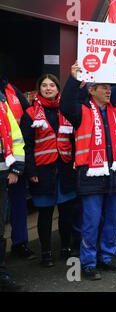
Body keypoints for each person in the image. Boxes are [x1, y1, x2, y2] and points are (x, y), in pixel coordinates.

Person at [60, 62, 116, 280]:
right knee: (91, 221)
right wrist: (74, 79)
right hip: (91, 176)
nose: (108, 90)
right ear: (91, 90)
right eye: (103, 87)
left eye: (110, 87)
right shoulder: (81, 111)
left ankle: (106, 258)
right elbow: (66, 106)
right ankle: (87, 263)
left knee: (112, 219)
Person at [22, 74, 77, 267]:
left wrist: (76, 162)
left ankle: (66, 248)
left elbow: (75, 140)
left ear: (58, 88)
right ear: (39, 89)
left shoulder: (67, 110)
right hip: (42, 170)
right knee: (45, 214)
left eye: (52, 85)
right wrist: (31, 171)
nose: (48, 88)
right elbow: (26, 146)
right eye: (44, 85)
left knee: (67, 212)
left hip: (65, 168)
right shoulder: (29, 113)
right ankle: (46, 252)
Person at [0, 77, 35, 260]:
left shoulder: (11, 89)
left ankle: (20, 244)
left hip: (15, 160)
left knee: (18, 205)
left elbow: (28, 114)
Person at [0, 89, 25, 291]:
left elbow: (16, 136)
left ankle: (1, 274)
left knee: (0, 227)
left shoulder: (2, 101)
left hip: (2, 176)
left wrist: (16, 168)